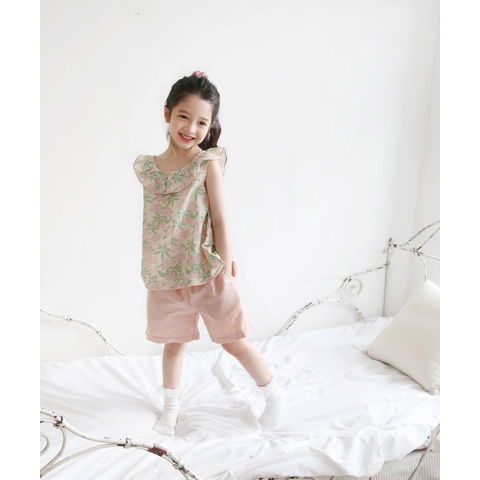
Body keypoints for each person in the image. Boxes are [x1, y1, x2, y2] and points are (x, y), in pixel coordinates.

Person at [133, 71, 284, 436]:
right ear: (167, 114)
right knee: (173, 345)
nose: (191, 128)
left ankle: (273, 395)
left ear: (211, 125)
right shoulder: (149, 169)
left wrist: (226, 266)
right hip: (165, 274)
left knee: (233, 342)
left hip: (206, 269)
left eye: (202, 122)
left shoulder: (206, 163)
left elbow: (220, 216)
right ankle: (171, 409)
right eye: (184, 116)